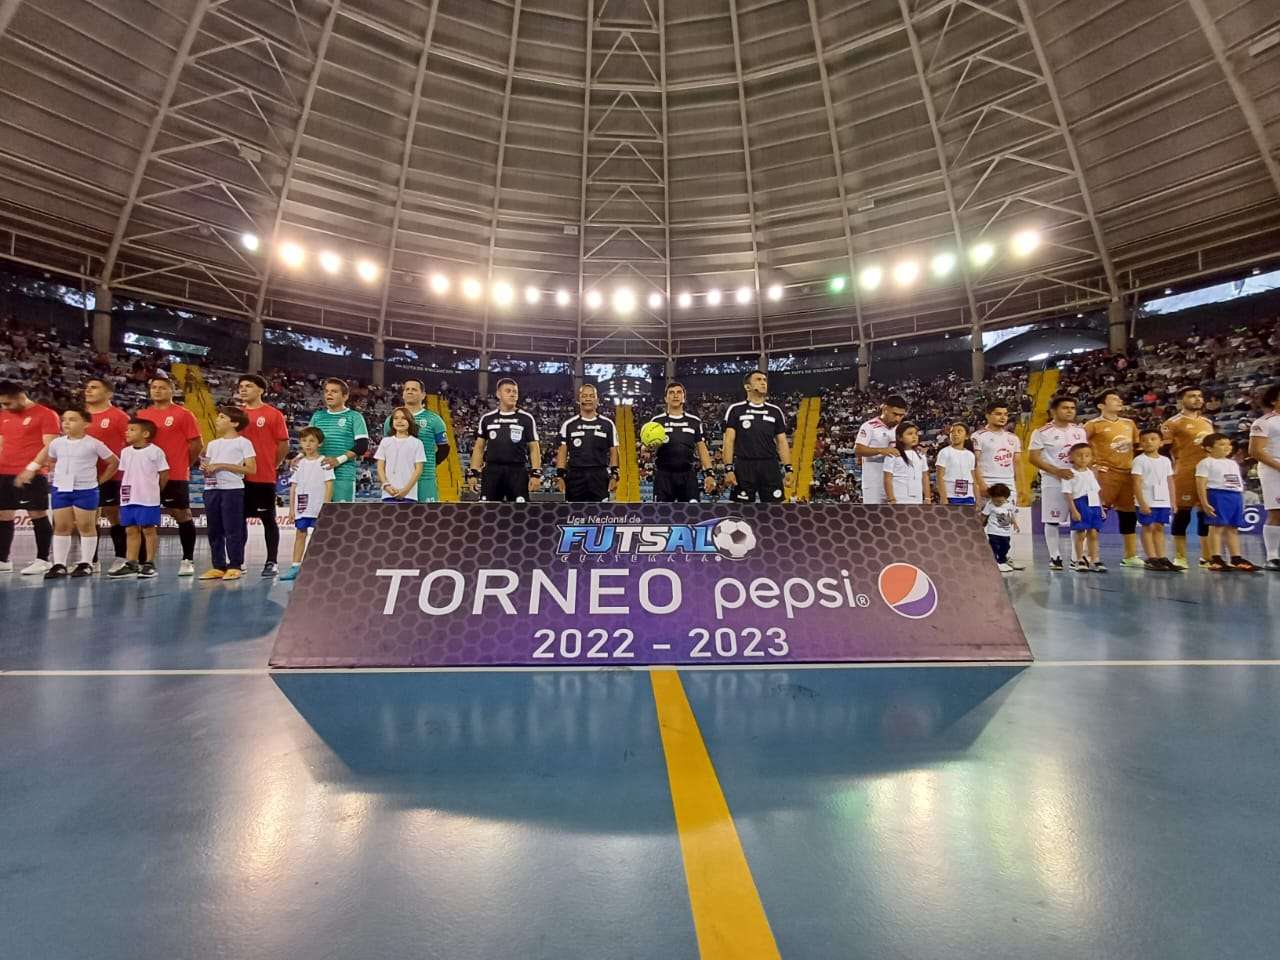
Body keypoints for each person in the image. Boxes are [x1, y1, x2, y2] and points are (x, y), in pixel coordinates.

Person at [16, 408, 118, 579]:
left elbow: (113, 462)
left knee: (86, 526)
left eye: (72, 419)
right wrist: (37, 470)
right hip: (62, 488)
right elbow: (48, 457)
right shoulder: (57, 443)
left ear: (85, 423)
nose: (66, 423)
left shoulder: (93, 443)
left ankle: (86, 563)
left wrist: (99, 481)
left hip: (85, 490)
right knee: (61, 527)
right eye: (64, 420)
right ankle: (59, 564)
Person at [137, 374, 203, 575]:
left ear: (172, 391)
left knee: (181, 514)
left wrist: (184, 464)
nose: (157, 390)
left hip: (174, 473)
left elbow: (196, 444)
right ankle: (144, 562)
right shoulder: (142, 415)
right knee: (144, 517)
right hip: (146, 474)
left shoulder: (183, 415)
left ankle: (188, 559)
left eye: (162, 387)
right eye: (154, 387)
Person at [0, 381, 60, 575]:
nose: (4, 407)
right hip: (4, 472)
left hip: (31, 473)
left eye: (7, 403)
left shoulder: (46, 414)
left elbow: (50, 445)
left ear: (20, 396)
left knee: (37, 514)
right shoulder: (4, 416)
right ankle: (3, 560)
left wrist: (32, 468)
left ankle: (43, 559)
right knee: (3, 514)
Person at [237, 374, 290, 577]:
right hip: (238, 479)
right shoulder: (236, 415)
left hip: (263, 477)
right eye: (241, 386)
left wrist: (272, 465)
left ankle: (271, 561)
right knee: (238, 520)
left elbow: (283, 445)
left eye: (249, 386)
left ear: (261, 390)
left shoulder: (273, 414)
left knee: (268, 519)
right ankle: (237, 561)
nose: (243, 389)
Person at [197, 407, 257, 582]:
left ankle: (235, 565)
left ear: (234, 423)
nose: (218, 419)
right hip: (211, 489)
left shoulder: (243, 443)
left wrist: (222, 465)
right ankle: (218, 565)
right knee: (214, 529)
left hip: (232, 489)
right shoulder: (213, 444)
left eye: (222, 417)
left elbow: (251, 469)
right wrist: (205, 469)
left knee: (233, 529)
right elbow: (208, 467)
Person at [1028, 397, 1087, 571]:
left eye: (1072, 408)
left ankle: (1078, 558)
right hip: (1053, 480)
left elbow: (1086, 454)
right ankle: (1055, 557)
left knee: (1079, 520)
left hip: (1078, 481)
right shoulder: (1041, 432)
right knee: (1052, 520)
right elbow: (1033, 457)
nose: (1070, 411)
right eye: (1065, 408)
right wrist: (1057, 471)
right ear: (1053, 411)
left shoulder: (1080, 431)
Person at [1086, 389, 1142, 567]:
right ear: (1101, 405)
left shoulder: (1129, 423)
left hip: (1127, 473)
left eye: (1119, 398)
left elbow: (1137, 446)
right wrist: (1092, 466)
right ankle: (1090, 555)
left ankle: (1130, 555)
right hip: (1105, 473)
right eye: (1113, 399)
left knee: (1129, 514)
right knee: (1099, 513)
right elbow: (1078, 447)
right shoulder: (1092, 424)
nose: (1119, 401)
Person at [107, 418, 169, 580]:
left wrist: (155, 491)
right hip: (128, 497)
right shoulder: (126, 452)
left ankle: (149, 563)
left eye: (132, 429)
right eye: (127, 429)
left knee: (148, 529)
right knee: (130, 529)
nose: (127, 432)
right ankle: (131, 562)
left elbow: (164, 474)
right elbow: (126, 473)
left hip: (147, 498)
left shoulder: (156, 451)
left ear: (145, 433)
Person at [1161, 387, 1215, 569]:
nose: (1197, 399)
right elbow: (1162, 451)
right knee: (1182, 514)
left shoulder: (1207, 422)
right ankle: (1180, 557)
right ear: (1180, 400)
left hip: (1208, 473)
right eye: (1192, 396)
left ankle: (1207, 557)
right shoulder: (1172, 423)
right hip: (1185, 473)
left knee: (1205, 514)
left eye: (1200, 396)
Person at [722, 371, 792, 503]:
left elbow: (782, 442)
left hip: (770, 465)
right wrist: (728, 469)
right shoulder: (735, 409)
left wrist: (788, 468)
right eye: (758, 379)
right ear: (747, 387)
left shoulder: (775, 411)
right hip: (744, 466)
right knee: (743, 510)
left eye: (765, 380)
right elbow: (728, 441)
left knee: (775, 509)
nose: (763, 382)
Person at [83, 376, 130, 572]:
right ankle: (90, 561)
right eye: (87, 387)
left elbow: (130, 444)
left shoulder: (119, 417)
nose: (88, 390)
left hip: (113, 475)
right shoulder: (79, 415)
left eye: (94, 387)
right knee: (87, 517)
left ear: (108, 393)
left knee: (113, 514)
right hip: (84, 475)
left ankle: (121, 556)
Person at [468, 378, 542, 502]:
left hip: (517, 471)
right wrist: (473, 472)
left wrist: (536, 473)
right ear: (498, 394)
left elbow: (534, 447)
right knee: (488, 512)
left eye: (515, 392)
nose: (513, 394)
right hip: (492, 471)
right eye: (508, 391)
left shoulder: (526, 418)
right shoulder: (487, 418)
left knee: (520, 514)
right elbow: (479, 447)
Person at [1195, 433, 1259, 573]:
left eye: (1228, 444)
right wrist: (1205, 502)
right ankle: (1215, 558)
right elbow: (1201, 484)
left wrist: (1240, 499)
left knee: (1233, 528)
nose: (1227, 447)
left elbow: (1237, 482)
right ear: (1209, 448)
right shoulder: (1206, 463)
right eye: (1221, 444)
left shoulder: (1232, 463)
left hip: (1234, 496)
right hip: (1217, 494)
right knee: (1217, 527)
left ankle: (1236, 558)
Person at [972, 401, 1025, 568]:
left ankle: (1002, 556)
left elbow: (1017, 463)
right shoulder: (978, 436)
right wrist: (981, 484)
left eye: (1005, 414)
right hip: (988, 480)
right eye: (998, 413)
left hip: (1008, 484)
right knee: (983, 520)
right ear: (987, 415)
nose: (1002, 417)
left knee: (1005, 520)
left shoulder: (1013, 438)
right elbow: (974, 462)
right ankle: (981, 556)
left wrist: (1022, 486)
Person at [645, 382, 716, 502]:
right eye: (671, 393)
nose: (675, 395)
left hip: (688, 475)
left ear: (684, 397)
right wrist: (649, 448)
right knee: (663, 517)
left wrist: (709, 473)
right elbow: (647, 449)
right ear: (665, 398)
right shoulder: (656, 421)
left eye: (679, 392)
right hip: (663, 476)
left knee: (692, 516)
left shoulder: (694, 421)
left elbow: (702, 449)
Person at [279, 427, 333, 582]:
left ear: (319, 443)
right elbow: (293, 487)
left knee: (320, 537)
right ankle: (295, 566)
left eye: (312, 441)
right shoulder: (298, 464)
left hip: (318, 507)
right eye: (304, 441)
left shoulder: (324, 462)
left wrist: (326, 506)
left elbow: (329, 485)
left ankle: (321, 565)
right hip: (302, 507)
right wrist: (291, 509)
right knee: (300, 534)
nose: (308, 444)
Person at [382, 379, 449, 502]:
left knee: (428, 518)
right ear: (403, 394)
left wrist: (429, 464)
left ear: (423, 395)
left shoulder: (434, 420)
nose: (410, 392)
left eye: (414, 389)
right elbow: (386, 451)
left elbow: (444, 448)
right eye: (407, 389)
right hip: (398, 480)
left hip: (425, 479)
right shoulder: (391, 420)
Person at [307, 378, 369, 504]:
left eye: (334, 391)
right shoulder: (317, 416)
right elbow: (307, 443)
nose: (329, 394)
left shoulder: (354, 417)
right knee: (316, 517)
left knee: (341, 518)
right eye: (326, 391)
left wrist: (337, 460)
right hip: (317, 474)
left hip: (343, 475)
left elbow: (362, 446)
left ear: (345, 396)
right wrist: (299, 457)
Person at [556, 384, 618, 503]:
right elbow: (562, 451)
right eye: (584, 396)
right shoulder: (568, 425)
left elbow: (614, 450)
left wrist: (615, 475)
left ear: (597, 400)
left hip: (599, 476)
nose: (588, 399)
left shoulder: (608, 424)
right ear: (579, 400)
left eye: (591, 396)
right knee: (574, 515)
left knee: (601, 514)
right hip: (575, 476)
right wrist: (560, 476)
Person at [1131, 428, 1178, 571]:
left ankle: (1161, 557)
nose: (1148, 442)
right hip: (1147, 499)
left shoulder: (1165, 461)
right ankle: (1151, 558)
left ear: (1161, 443)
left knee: (1159, 527)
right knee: (1148, 527)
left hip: (1162, 500)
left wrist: (1173, 501)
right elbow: (1136, 482)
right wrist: (1142, 502)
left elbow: (1170, 481)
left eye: (1153, 439)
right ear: (1140, 443)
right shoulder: (1139, 460)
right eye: (1144, 440)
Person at [1247, 383, 1280, 571]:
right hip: (1273, 469)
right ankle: (1273, 557)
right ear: (1274, 400)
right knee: (1277, 512)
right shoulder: (1264, 422)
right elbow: (1256, 451)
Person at [854, 396, 907, 504]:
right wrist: (882, 450)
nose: (897, 418)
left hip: (896, 481)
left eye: (901, 415)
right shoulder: (869, 426)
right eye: (895, 414)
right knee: (874, 517)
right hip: (874, 483)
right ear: (885, 409)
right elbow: (858, 449)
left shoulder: (901, 429)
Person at [1065, 443, 1105, 573]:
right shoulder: (1069, 473)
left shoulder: (1091, 473)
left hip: (1093, 503)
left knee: (1093, 533)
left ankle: (1094, 559)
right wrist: (1074, 510)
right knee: (1081, 534)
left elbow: (1096, 491)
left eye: (1087, 455)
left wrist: (1101, 508)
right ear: (1071, 457)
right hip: (1080, 503)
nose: (1083, 458)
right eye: (1079, 455)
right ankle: (1079, 559)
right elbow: (1068, 494)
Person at [375, 407, 427, 502]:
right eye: (396, 418)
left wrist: (405, 490)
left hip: (409, 495)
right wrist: (386, 486)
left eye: (403, 418)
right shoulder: (385, 442)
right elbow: (380, 467)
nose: (399, 421)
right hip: (388, 494)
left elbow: (419, 469)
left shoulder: (417, 443)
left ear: (410, 421)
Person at [884, 422, 931, 504]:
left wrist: (927, 497)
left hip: (917, 499)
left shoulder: (921, 455)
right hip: (899, 499)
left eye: (916, 434)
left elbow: (925, 477)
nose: (914, 437)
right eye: (909, 434)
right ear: (899, 437)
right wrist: (891, 498)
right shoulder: (893, 454)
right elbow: (887, 478)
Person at [934, 422, 977, 505]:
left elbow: (973, 478)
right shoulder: (944, 452)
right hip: (950, 495)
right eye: (952, 432)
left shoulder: (970, 455)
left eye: (959, 431)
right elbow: (939, 477)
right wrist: (943, 497)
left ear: (967, 436)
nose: (955, 434)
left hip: (969, 495)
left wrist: (977, 497)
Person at [981, 483, 1019, 572]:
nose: (997, 503)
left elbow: (1011, 515)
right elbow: (984, 515)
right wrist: (980, 525)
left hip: (1005, 532)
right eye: (995, 501)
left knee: (1006, 546)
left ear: (1005, 498)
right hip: (993, 531)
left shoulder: (1009, 505)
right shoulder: (990, 505)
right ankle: (994, 562)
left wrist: (1015, 524)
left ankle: (1002, 561)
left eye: (1000, 501)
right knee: (993, 546)